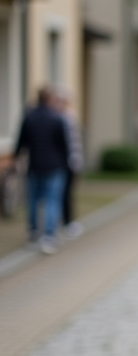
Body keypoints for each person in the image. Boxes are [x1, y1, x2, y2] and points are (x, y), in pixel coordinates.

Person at [15, 86, 71, 254]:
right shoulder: (57, 118)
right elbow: (64, 145)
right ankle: (48, 236)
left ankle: (33, 233)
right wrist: (66, 163)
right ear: (49, 99)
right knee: (52, 200)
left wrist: (17, 158)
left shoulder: (29, 117)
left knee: (32, 200)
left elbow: (21, 141)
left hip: (35, 165)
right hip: (54, 166)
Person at [54, 88, 85, 239]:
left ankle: (66, 221)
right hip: (65, 161)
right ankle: (65, 222)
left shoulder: (69, 116)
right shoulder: (61, 117)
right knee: (63, 193)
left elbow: (75, 142)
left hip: (71, 160)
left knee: (67, 193)